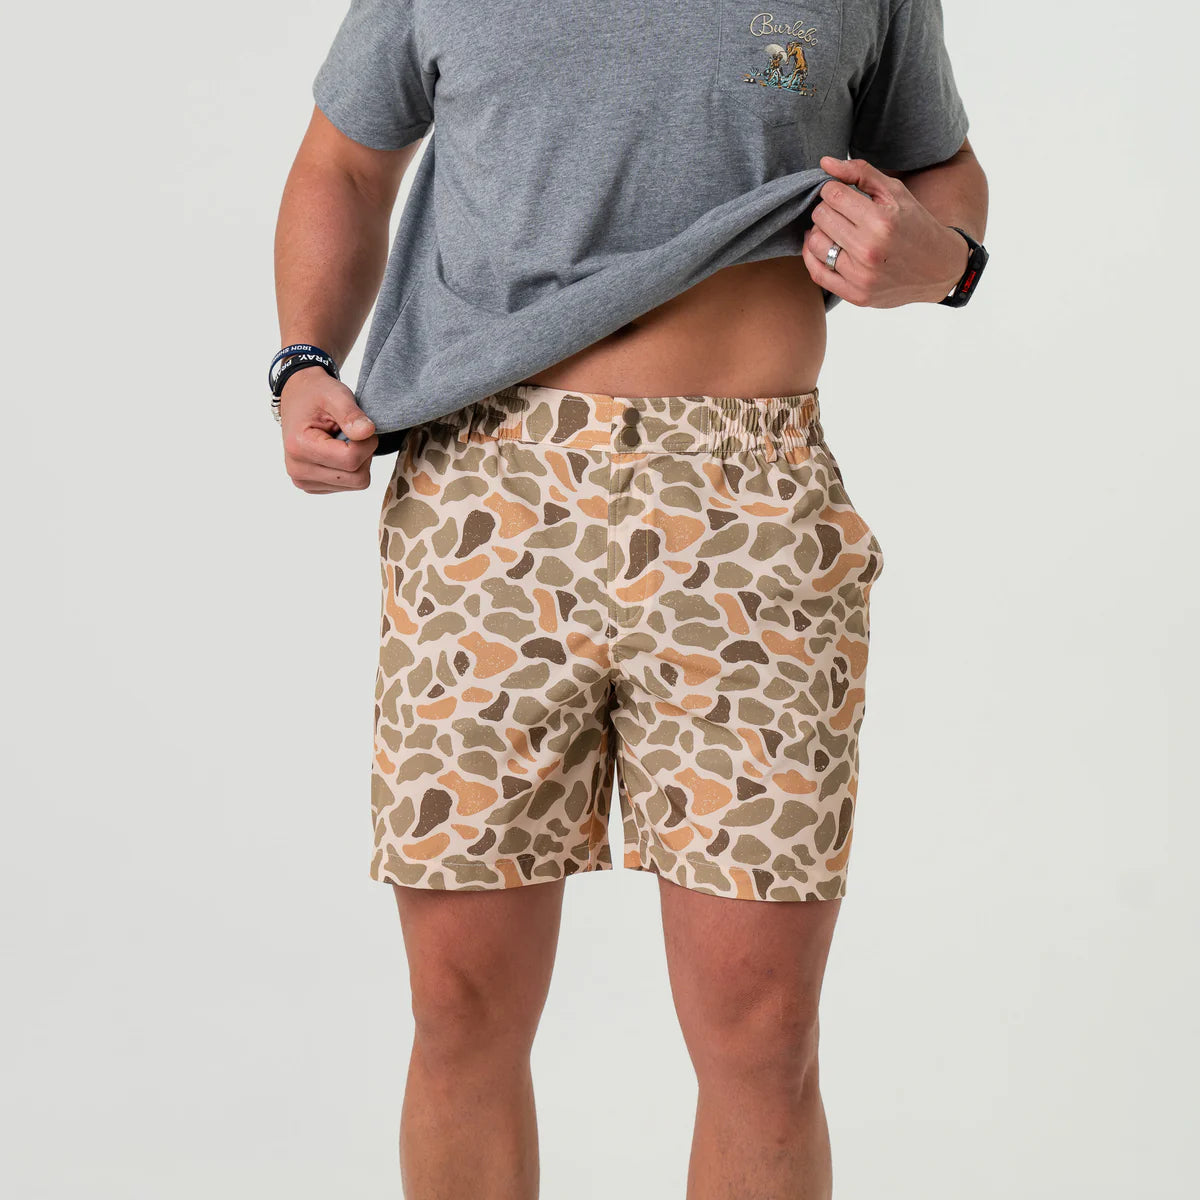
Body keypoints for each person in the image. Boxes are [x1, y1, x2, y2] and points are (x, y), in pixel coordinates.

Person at [271, 1, 989, 1195]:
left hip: (750, 508)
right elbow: (342, 162)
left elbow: (941, 168)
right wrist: (303, 362)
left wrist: (948, 263)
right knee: (461, 1011)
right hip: (486, 500)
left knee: (764, 1037)